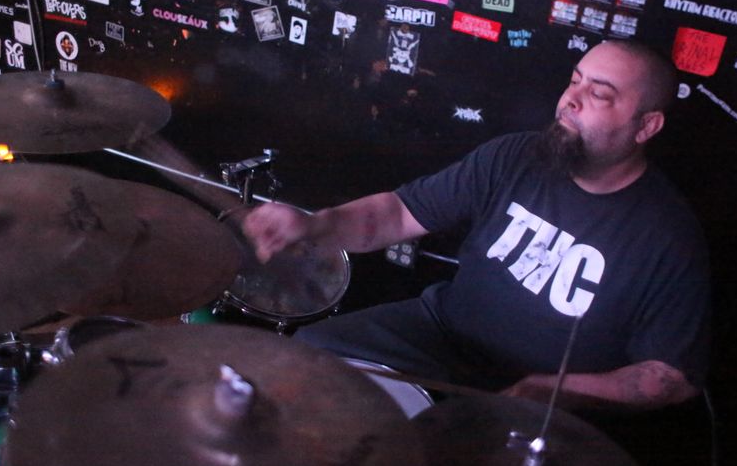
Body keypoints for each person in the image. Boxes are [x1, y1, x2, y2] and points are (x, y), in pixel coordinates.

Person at [241, 40, 710, 413]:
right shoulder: (517, 157)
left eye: (599, 94)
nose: (570, 100)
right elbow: (398, 214)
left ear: (646, 126)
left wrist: (557, 389)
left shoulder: (667, 237)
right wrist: (314, 225)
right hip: (440, 333)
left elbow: (670, 377)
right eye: (574, 81)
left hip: (544, 391)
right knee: (311, 352)